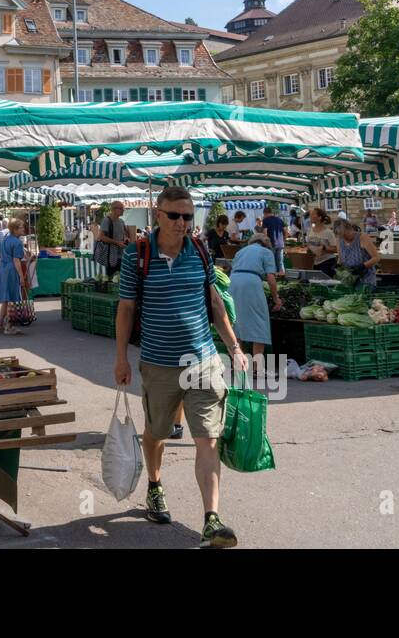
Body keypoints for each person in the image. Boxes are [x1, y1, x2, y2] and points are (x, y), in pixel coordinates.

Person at [115, 185, 248, 548]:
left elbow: (215, 303)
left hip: (202, 361)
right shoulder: (135, 256)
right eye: (174, 215)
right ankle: (155, 487)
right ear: (158, 214)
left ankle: (211, 519)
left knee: (207, 437)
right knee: (157, 432)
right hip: (158, 363)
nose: (182, 223)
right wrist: (121, 357)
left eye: (188, 216)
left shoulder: (201, 251)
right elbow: (126, 308)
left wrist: (234, 346)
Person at [228, 234, 283, 384]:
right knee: (259, 322)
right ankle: (258, 369)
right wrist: (276, 298)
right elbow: (271, 280)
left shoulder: (241, 251)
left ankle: (237, 364)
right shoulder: (266, 252)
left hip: (232, 283)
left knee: (237, 323)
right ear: (266, 243)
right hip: (251, 283)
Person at [0, 218, 29, 336]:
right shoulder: (17, 242)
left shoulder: (5, 239)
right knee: (13, 299)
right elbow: (16, 261)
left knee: (5, 299)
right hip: (11, 270)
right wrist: (21, 277)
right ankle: (9, 326)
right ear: (15, 229)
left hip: (3, 269)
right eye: (21, 227)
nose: (23, 229)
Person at [336, 217, 382, 288]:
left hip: (365, 280)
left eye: (345, 235)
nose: (344, 238)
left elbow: (376, 258)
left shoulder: (362, 237)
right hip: (348, 280)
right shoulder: (339, 240)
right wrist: (337, 265)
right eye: (341, 236)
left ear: (350, 229)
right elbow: (341, 258)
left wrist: (362, 266)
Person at [95, 201, 132, 278]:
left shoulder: (121, 221)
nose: (123, 210)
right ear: (114, 209)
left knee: (121, 277)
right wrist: (117, 243)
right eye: (121, 209)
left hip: (121, 255)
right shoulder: (107, 220)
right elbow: (101, 237)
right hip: (111, 255)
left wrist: (126, 239)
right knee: (111, 278)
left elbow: (124, 235)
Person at [306, 207, 338, 277]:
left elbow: (336, 249)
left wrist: (324, 248)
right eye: (310, 214)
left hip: (327, 263)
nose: (310, 216)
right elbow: (310, 246)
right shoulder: (309, 231)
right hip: (315, 262)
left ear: (319, 217)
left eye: (313, 214)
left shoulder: (328, 232)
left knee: (326, 285)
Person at [260, 206, 287, 275]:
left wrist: (264, 243)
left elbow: (265, 233)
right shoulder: (279, 220)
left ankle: (274, 277)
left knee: (271, 261)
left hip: (271, 244)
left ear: (265, 213)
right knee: (280, 261)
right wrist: (284, 240)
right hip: (280, 244)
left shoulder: (265, 220)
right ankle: (282, 275)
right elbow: (285, 231)